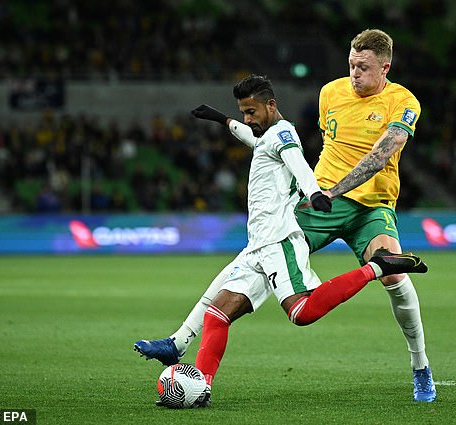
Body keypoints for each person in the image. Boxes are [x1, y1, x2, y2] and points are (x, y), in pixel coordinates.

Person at [136, 29, 437, 403]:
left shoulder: (403, 101)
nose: (354, 73)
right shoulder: (330, 93)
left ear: (385, 67)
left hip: (370, 204)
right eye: (351, 65)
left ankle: (420, 366)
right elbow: (302, 145)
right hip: (319, 205)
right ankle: (188, 355)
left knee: (393, 273)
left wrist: (330, 191)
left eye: (363, 67)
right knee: (259, 254)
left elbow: (380, 155)